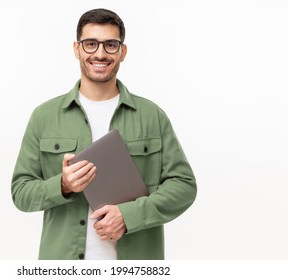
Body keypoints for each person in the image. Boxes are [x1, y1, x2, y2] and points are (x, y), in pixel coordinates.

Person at [11, 8, 197, 260]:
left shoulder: (152, 116)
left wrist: (130, 215)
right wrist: (63, 185)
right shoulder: (44, 116)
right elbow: (21, 193)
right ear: (77, 49)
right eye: (90, 44)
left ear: (123, 52)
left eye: (110, 44)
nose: (100, 53)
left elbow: (184, 186)